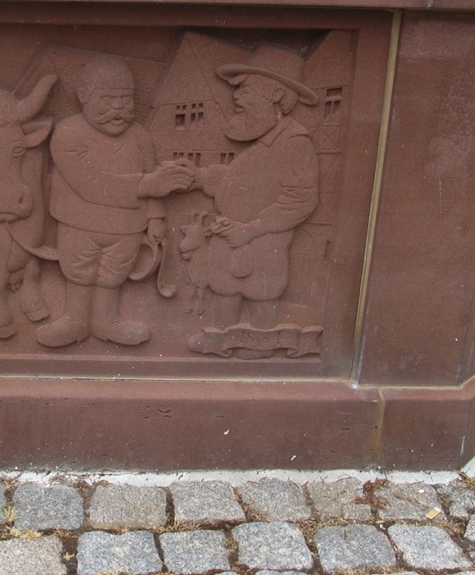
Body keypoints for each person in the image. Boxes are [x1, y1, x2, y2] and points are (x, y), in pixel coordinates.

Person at [36, 55, 193, 348]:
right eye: (108, 100)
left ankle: (106, 321)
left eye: (125, 100)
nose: (118, 108)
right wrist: (147, 185)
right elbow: (91, 183)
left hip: (127, 226)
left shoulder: (139, 137)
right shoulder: (69, 133)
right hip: (79, 222)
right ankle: (75, 320)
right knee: (79, 272)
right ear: (84, 97)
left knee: (113, 275)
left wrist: (156, 218)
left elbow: (154, 178)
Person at [187, 43, 319, 355]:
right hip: (231, 241)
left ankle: (261, 350)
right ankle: (219, 343)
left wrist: (250, 229)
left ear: (275, 94)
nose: (236, 97)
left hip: (262, 245)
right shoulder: (265, 142)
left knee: (261, 298)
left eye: (245, 90)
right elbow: (243, 182)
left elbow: (300, 199)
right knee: (226, 293)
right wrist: (198, 177)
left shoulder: (293, 143)